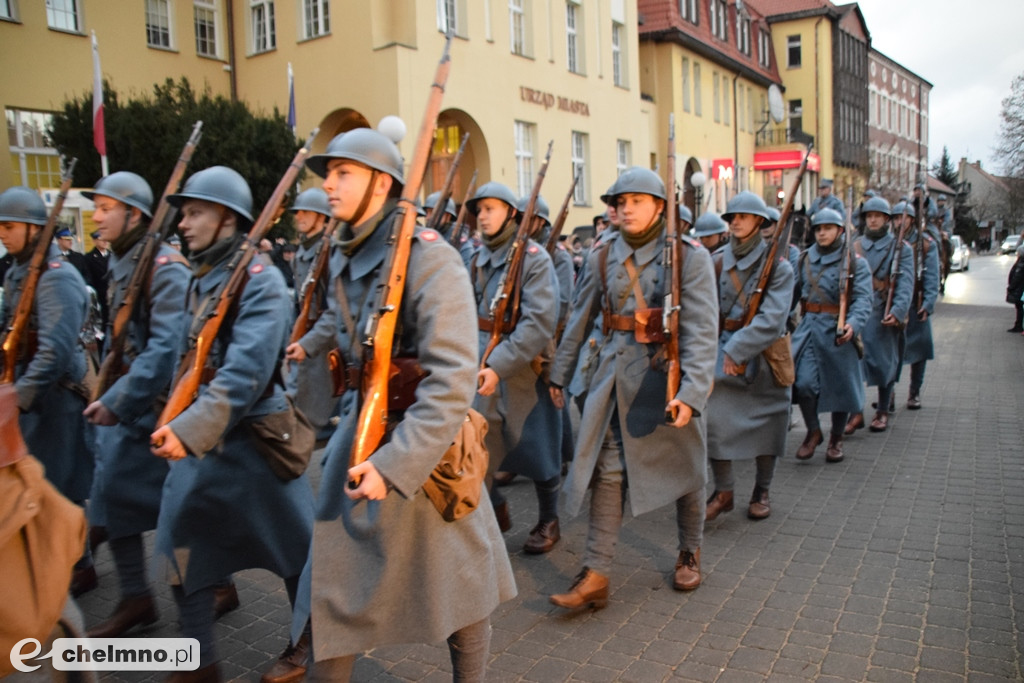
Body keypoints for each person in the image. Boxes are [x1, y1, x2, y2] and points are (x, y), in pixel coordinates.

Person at [278, 129, 516, 682]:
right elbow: (341, 328)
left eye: (343, 174)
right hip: (358, 439)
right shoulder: (346, 253)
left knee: (461, 589)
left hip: (423, 457)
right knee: (334, 587)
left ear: (381, 184)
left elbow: (453, 379)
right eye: (328, 174)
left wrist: (395, 465)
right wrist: (309, 355)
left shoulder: (432, 260)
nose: (329, 186)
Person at [150, 166, 314, 682]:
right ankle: (199, 662)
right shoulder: (202, 275)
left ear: (227, 219)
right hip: (204, 440)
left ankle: (305, 639)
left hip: (256, 446)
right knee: (181, 544)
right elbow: (183, 357)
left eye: (195, 212)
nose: (184, 223)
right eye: (184, 213)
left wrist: (188, 428)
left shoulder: (262, 284)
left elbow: (244, 375)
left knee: (293, 551)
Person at [547, 166, 718, 606]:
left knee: (685, 465)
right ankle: (596, 573)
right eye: (619, 203)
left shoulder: (690, 256)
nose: (625, 209)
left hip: (668, 375)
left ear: (659, 206)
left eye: (635, 201)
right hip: (612, 375)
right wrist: (559, 373)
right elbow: (581, 319)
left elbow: (702, 331)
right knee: (608, 469)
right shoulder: (603, 254)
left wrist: (692, 393)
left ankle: (689, 551)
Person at [80, 172, 191, 637]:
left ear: (136, 215)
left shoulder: (165, 267)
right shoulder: (125, 261)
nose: (96, 215)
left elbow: (165, 350)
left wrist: (117, 401)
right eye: (97, 206)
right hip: (129, 406)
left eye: (106, 207)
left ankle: (206, 591)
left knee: (185, 509)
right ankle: (136, 596)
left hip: (159, 408)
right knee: (112, 500)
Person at [0, 187, 96, 596]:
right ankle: (77, 562)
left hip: (56, 396)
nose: (2, 234)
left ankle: (74, 566)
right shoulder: (17, 272)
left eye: (9, 226)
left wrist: (17, 399)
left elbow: (55, 350)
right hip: (31, 391)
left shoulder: (58, 278)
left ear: (34, 229)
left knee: (58, 485)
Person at [467, 181, 562, 552]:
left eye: (491, 208)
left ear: (510, 213)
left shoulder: (535, 258)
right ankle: (494, 509)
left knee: (537, 446)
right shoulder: (475, 257)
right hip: (481, 362)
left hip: (526, 366)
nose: (484, 216)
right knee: (479, 445)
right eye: (480, 209)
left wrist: (499, 364)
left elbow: (538, 322)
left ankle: (549, 519)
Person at [705, 191, 795, 522]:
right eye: (732, 217)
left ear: (760, 221)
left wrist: (738, 347)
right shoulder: (716, 261)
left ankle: (762, 490)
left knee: (768, 424)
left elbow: (773, 319)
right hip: (721, 347)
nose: (736, 221)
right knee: (712, 417)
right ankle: (724, 490)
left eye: (743, 216)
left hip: (766, 355)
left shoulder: (779, 266)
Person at [790, 208, 871, 463]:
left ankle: (836, 438)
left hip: (839, 330)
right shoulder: (803, 259)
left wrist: (853, 324)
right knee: (802, 383)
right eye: (818, 229)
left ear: (840, 230)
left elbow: (863, 300)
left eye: (827, 228)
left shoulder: (856, 262)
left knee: (840, 388)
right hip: (810, 328)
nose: (822, 233)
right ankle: (813, 431)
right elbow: (791, 295)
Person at [845, 197, 914, 434]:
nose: (872, 220)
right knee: (853, 363)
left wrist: (897, 312)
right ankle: (855, 412)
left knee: (884, 364)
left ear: (887, 219)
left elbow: (906, 283)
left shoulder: (901, 248)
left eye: (877, 216)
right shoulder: (855, 245)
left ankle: (883, 409)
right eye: (869, 216)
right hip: (858, 311)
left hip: (883, 310)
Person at [284, 187, 339, 438]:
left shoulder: (331, 252)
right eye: (298, 212)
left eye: (308, 212)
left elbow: (336, 308)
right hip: (307, 333)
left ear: (322, 217)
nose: (300, 217)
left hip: (328, 340)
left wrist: (308, 341)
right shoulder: (301, 254)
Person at [901, 200, 941, 411]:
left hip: (916, 302)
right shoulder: (892, 242)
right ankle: (886, 396)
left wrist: (928, 303)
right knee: (891, 351)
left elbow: (932, 276)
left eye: (904, 218)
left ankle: (914, 392)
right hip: (897, 301)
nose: (900, 222)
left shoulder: (926, 243)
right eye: (897, 218)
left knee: (919, 349)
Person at [1006, 244, 1024, 333]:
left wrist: (1011, 287)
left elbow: (1017, 277)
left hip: (1019, 289)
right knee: (1020, 307)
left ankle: (1019, 326)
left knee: (1019, 307)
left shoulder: (1021, 263)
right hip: (1020, 289)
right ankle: (1019, 325)